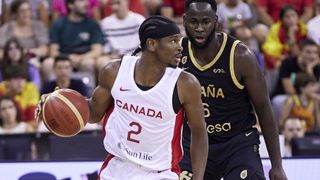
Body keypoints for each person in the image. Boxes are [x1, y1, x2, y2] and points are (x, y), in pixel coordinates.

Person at [36, 16, 208, 180]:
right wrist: (57, 105)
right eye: (173, 41)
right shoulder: (115, 72)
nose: (180, 47)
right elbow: (94, 113)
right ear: (152, 44)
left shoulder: (185, 84)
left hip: (160, 173)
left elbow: (199, 133)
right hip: (117, 168)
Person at [179, 0, 287, 179]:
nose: (199, 28)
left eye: (205, 21)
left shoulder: (240, 56)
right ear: (184, 20)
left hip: (237, 143)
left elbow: (264, 108)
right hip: (193, 144)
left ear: (216, 20)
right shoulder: (176, 53)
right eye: (193, 22)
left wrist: (277, 165)